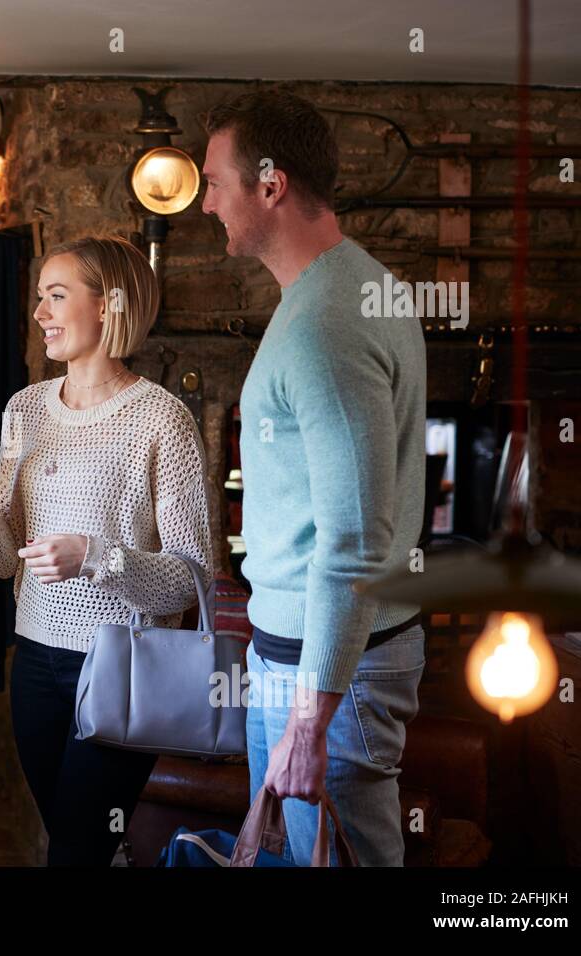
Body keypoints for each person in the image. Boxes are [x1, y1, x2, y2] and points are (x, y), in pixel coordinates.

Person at [199, 89, 427, 865]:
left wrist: (310, 718)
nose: (204, 204)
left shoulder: (329, 322)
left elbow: (357, 537)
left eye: (213, 183)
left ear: (270, 185)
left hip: (331, 671)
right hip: (304, 657)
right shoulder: (344, 289)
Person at [0, 235, 214, 866]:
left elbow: (190, 578)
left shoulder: (162, 420)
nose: (40, 314)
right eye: (39, 298)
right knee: (78, 841)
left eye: (56, 297)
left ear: (109, 304)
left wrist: (95, 555)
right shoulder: (25, 409)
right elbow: (1, 559)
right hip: (34, 660)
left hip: (123, 667)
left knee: (76, 851)